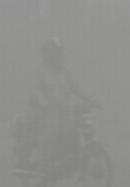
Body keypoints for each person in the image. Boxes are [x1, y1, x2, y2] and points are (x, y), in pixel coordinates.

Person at [30, 38, 93, 173]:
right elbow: (36, 90)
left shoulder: (65, 72)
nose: (58, 55)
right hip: (47, 111)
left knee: (77, 128)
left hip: (65, 110)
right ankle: (45, 162)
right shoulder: (41, 71)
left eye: (59, 52)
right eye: (54, 52)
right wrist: (43, 102)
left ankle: (68, 157)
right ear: (46, 54)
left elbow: (77, 87)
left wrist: (89, 99)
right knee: (52, 131)